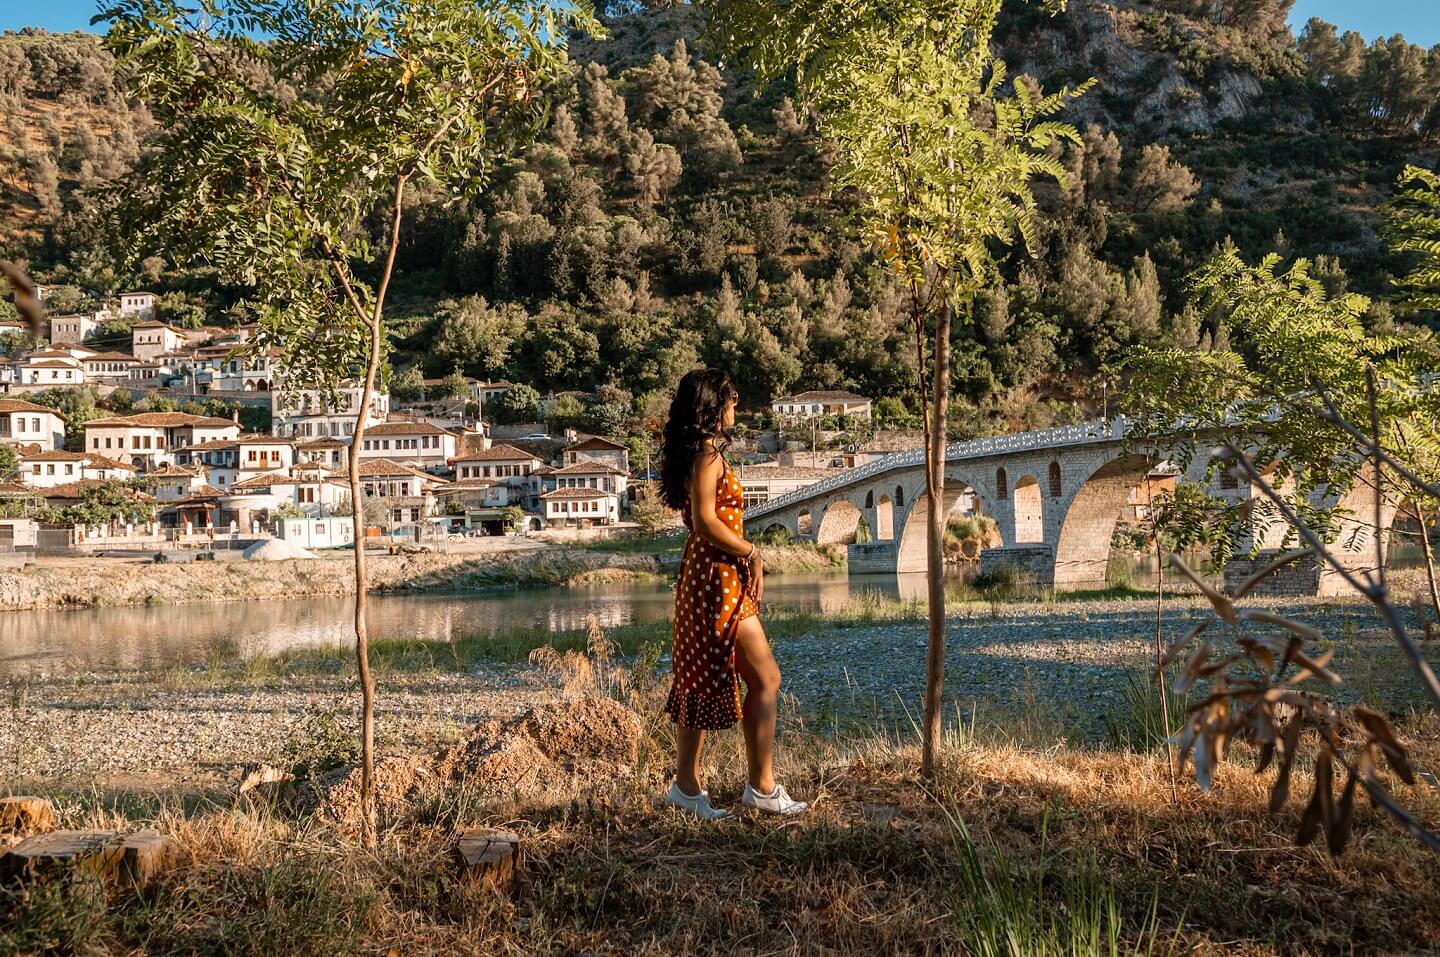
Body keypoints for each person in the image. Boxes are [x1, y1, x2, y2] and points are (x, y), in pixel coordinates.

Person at [657, 368, 808, 819]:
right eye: (731, 397)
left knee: (704, 682)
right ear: (712, 404)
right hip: (715, 582)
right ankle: (757, 787)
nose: (737, 403)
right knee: (761, 679)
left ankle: (689, 788)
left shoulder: (702, 455)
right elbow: (705, 520)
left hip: (713, 579)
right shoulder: (705, 458)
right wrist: (753, 551)